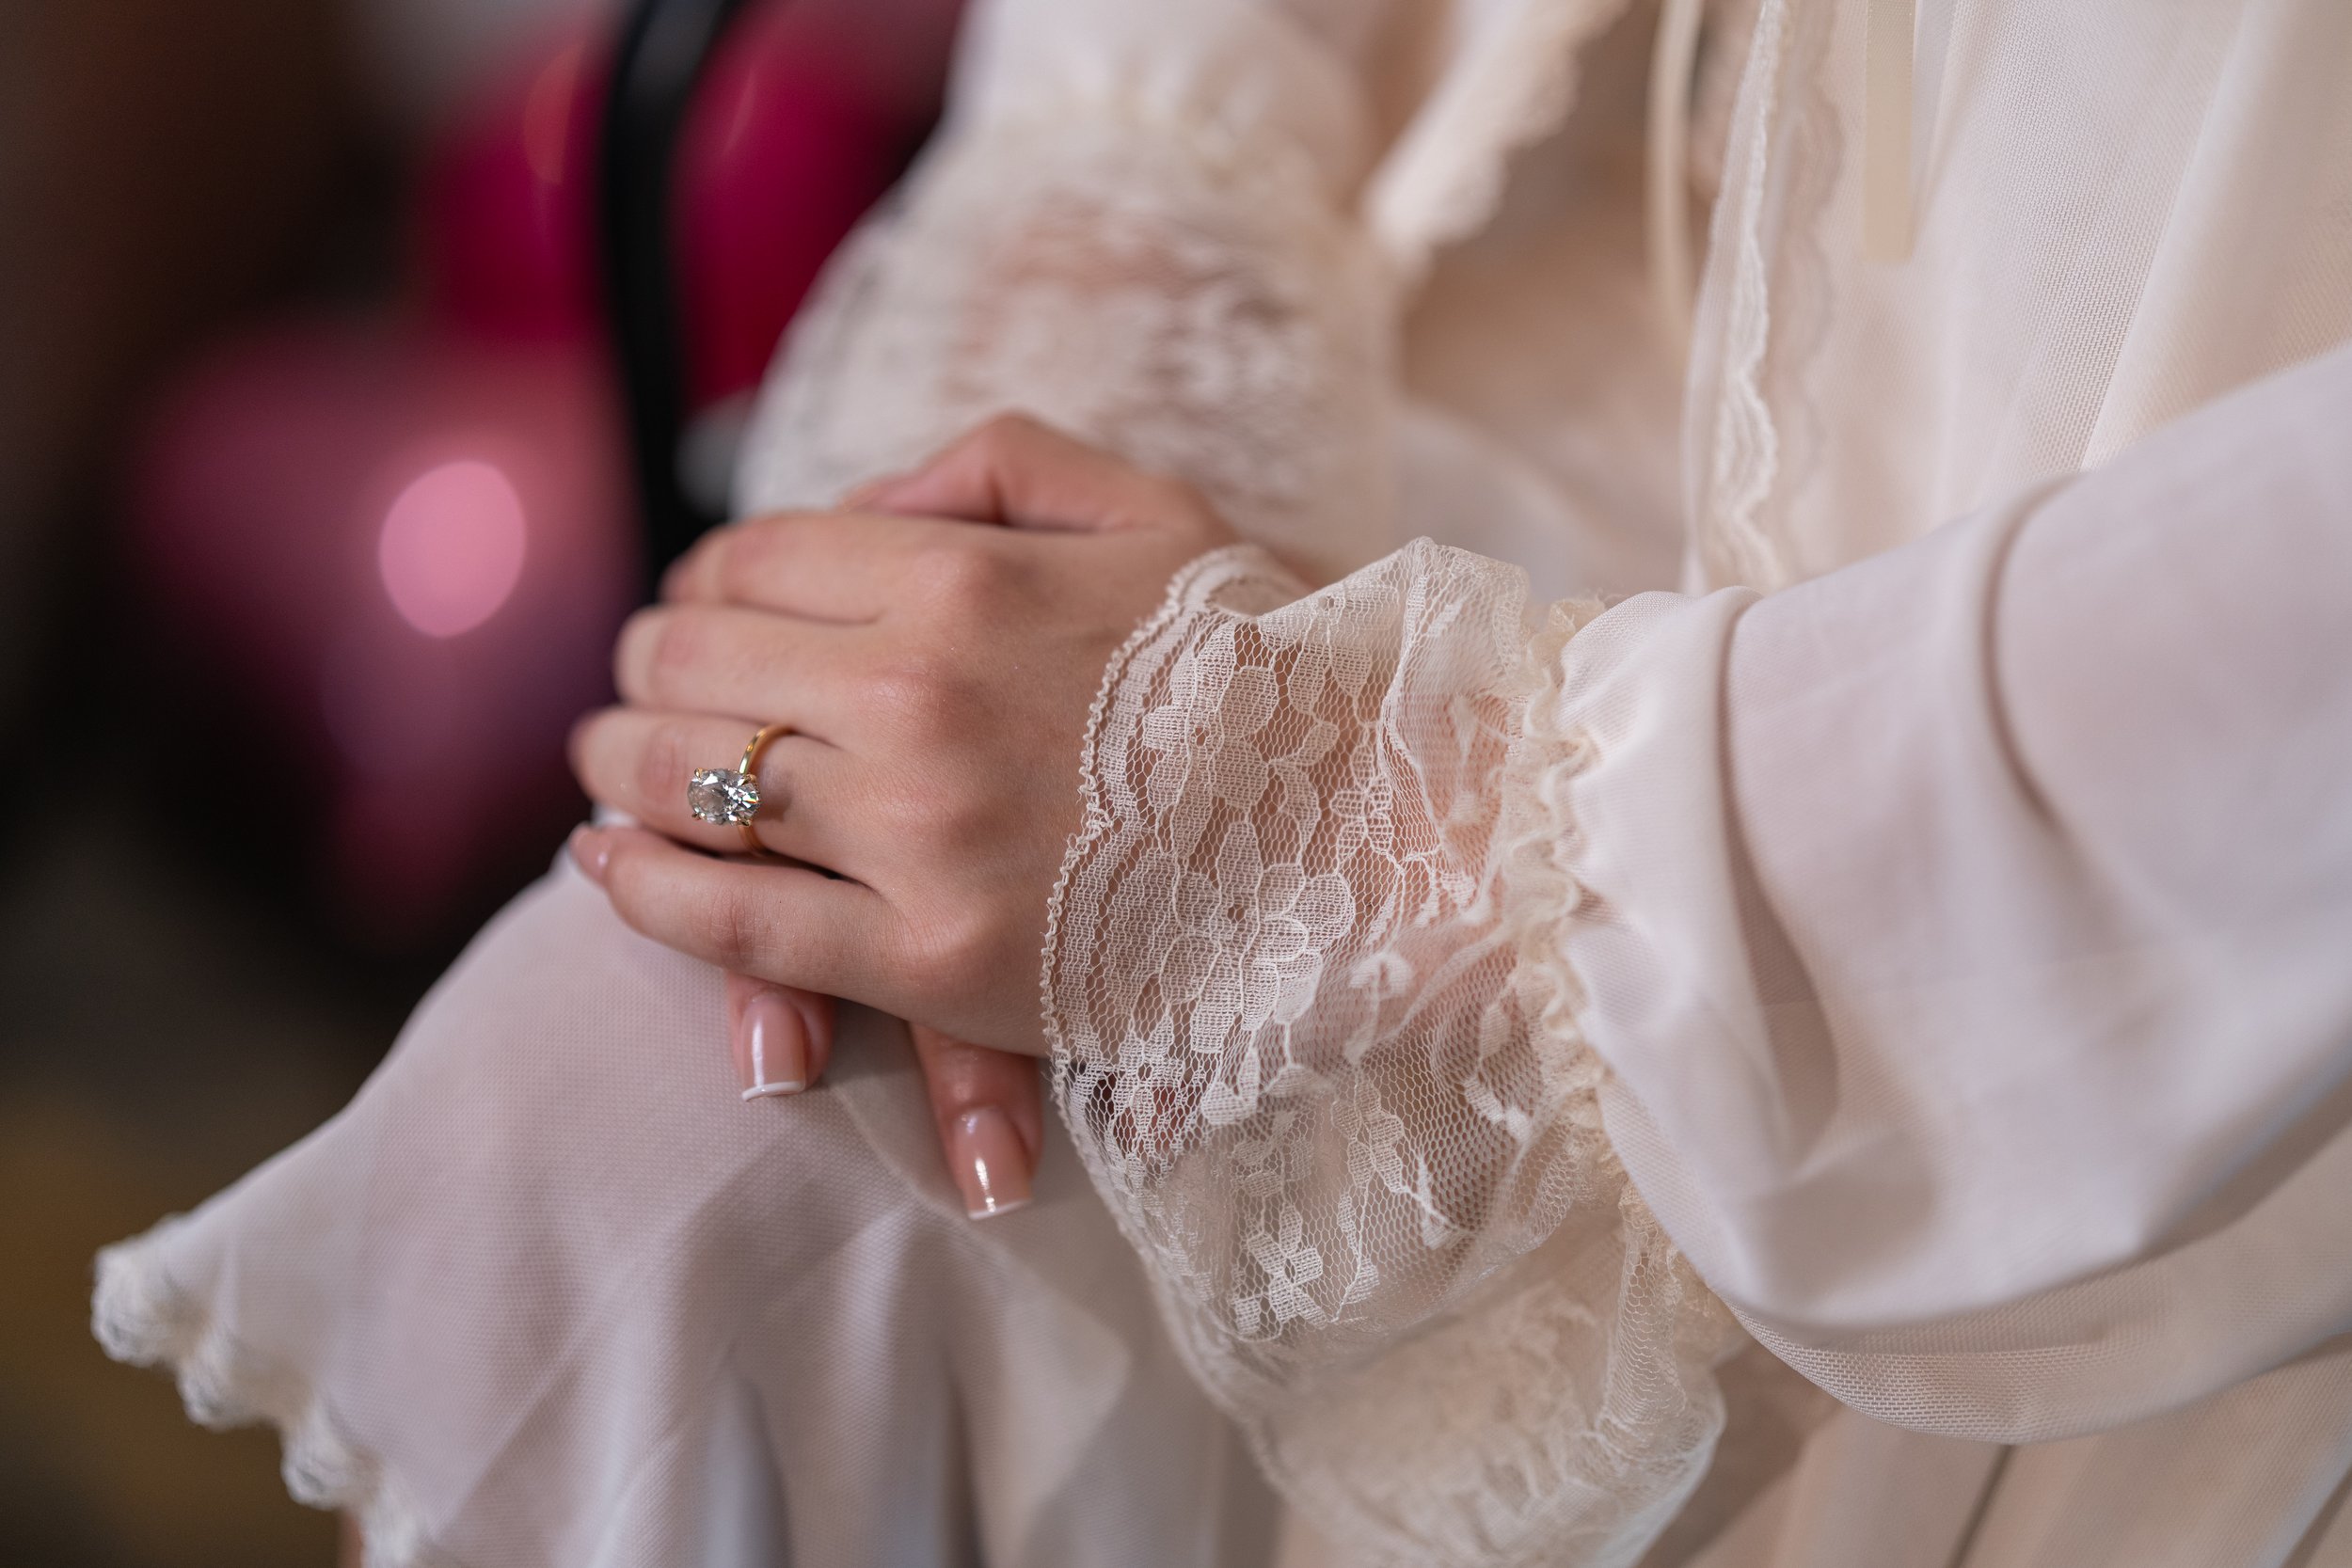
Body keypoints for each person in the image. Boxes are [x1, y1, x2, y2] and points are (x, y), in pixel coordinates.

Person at [98, 0, 2352, 1564]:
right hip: (1606, 310)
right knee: (655, 1095)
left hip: (2169, 772)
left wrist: (1382, 816)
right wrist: (1016, 527)